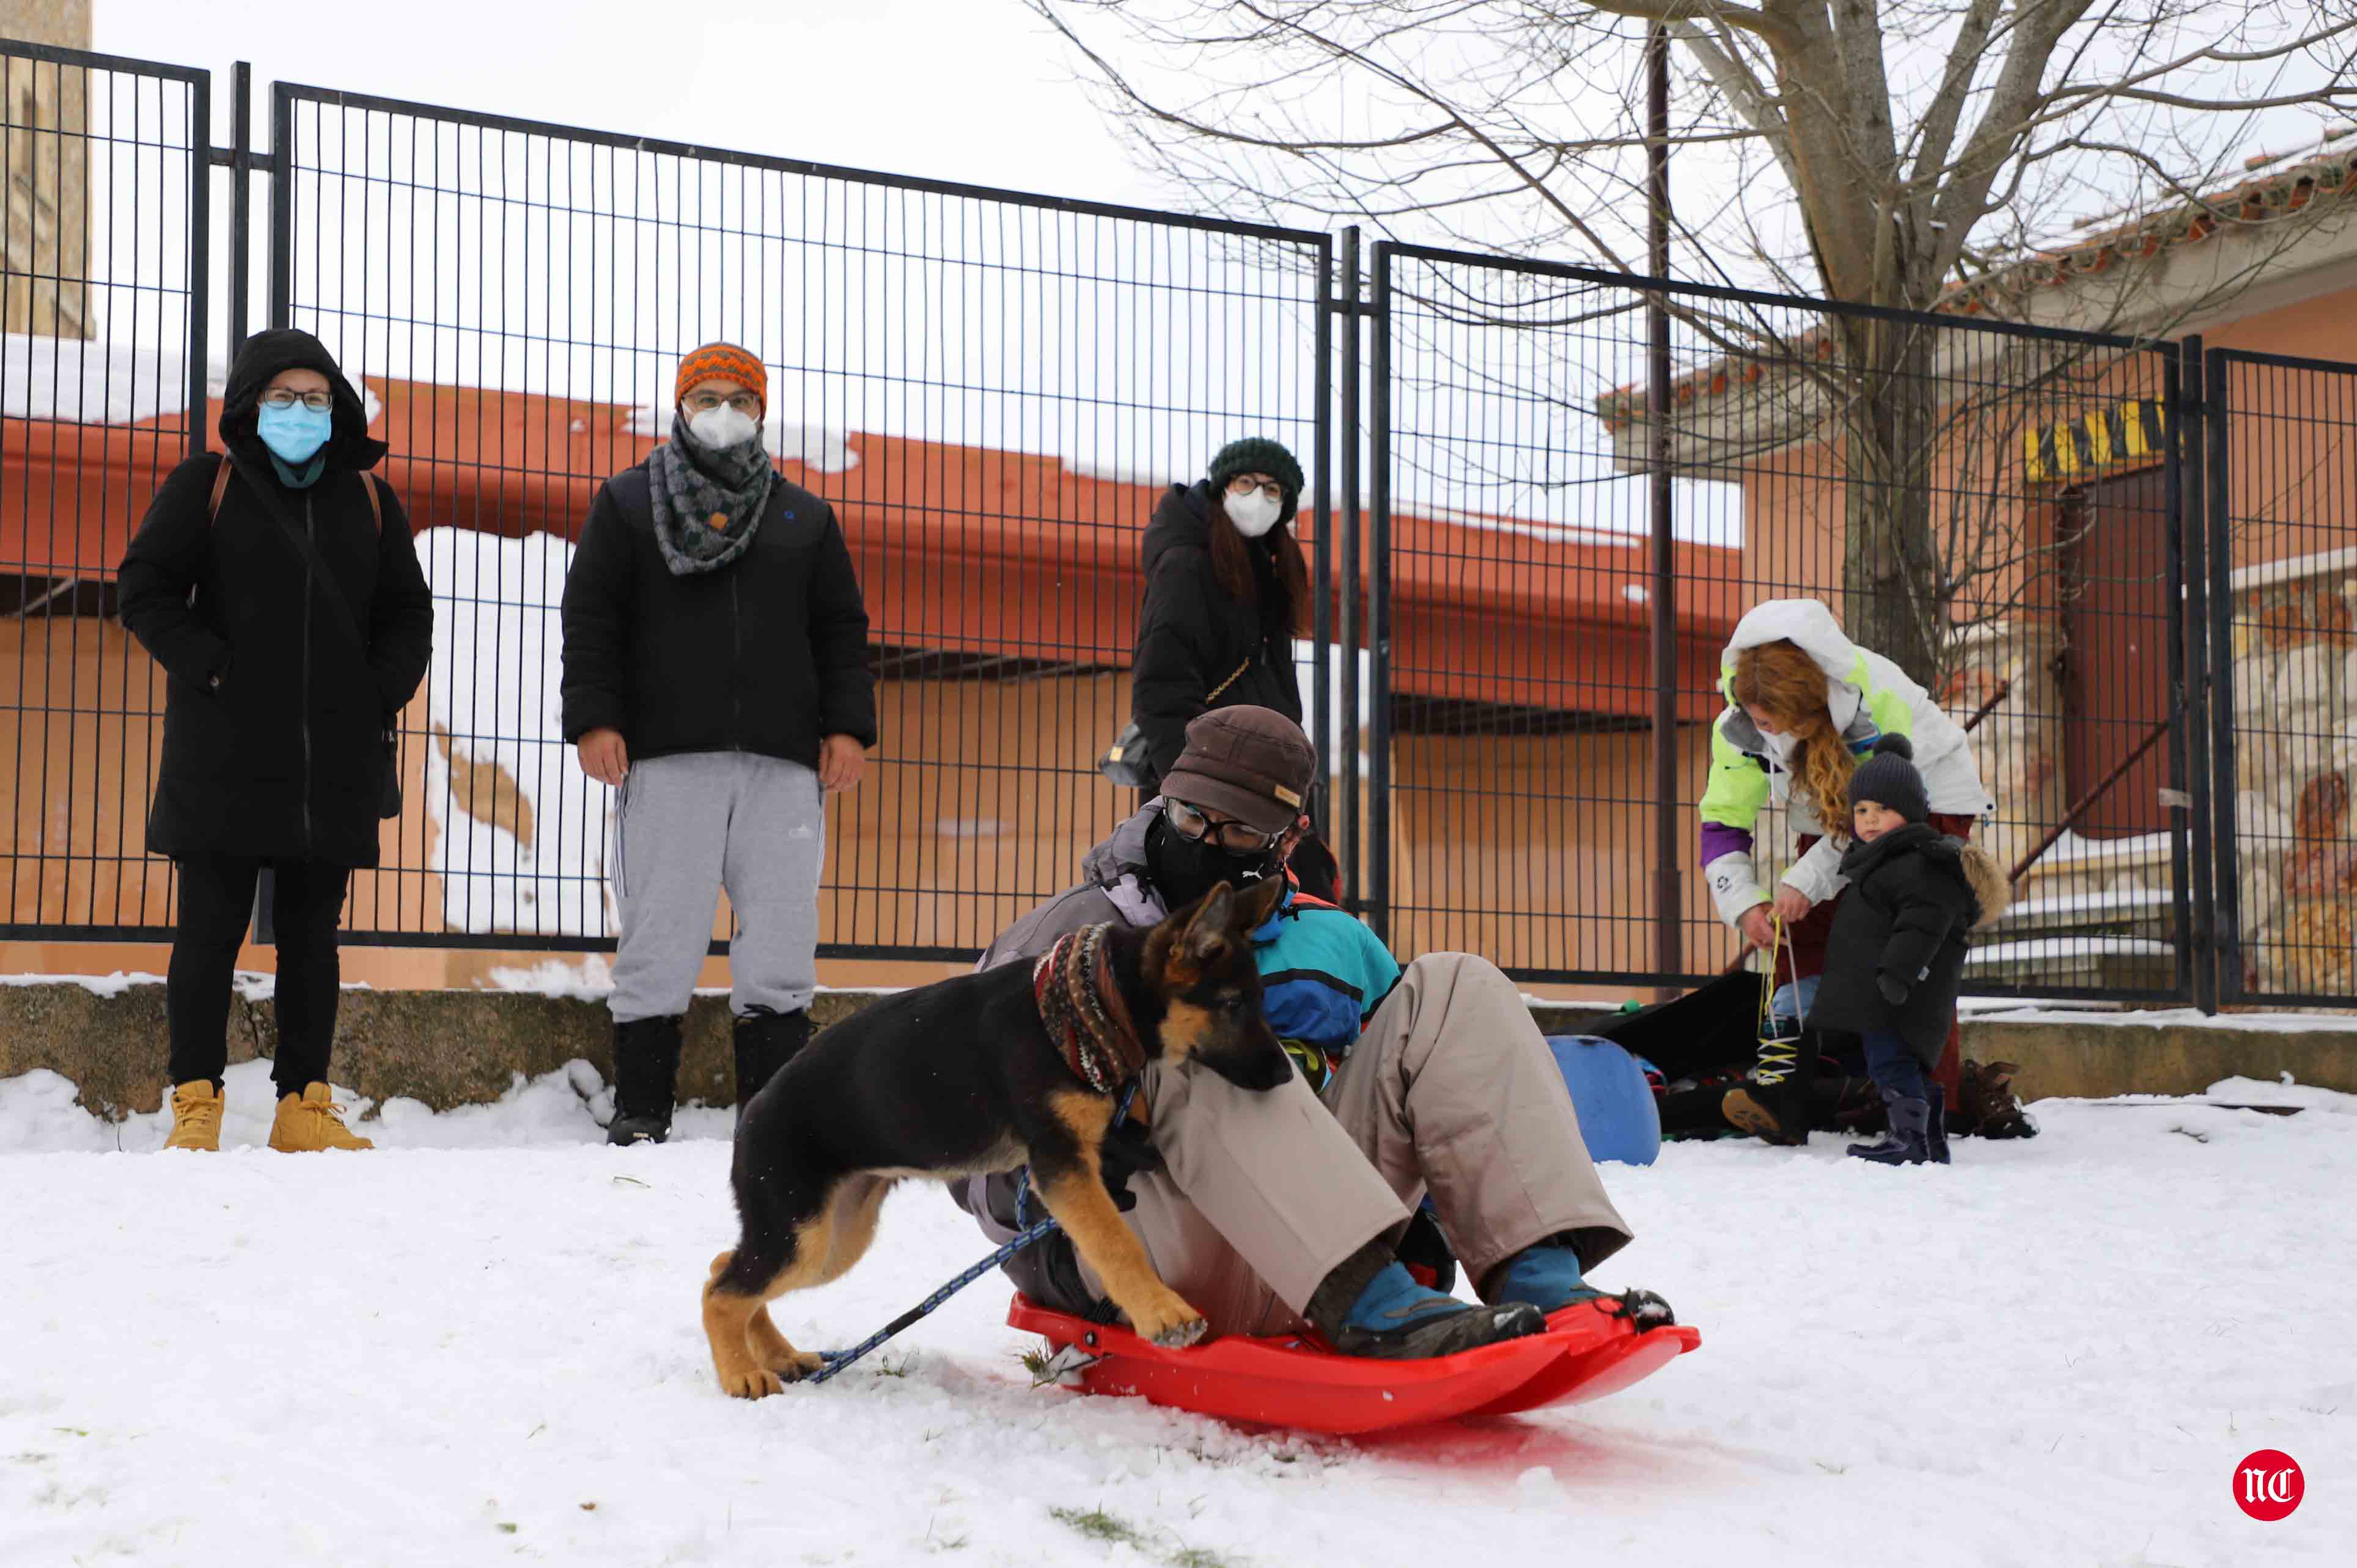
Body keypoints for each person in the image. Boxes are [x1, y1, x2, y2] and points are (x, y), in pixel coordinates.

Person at [955, 706, 1668, 1360]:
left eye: (1236, 830)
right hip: (1152, 1255)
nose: (1206, 840)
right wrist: (1052, 1153)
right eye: (1189, 816)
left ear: (1289, 837)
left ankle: (1537, 1274)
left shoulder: (1327, 936)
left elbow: (1428, 1082)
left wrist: (1424, 1224)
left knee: (1459, 982)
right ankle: (1375, 1306)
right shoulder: (1059, 939)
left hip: (1313, 1242)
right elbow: (963, 1138)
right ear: (1160, 798)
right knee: (1191, 1025)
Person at [119, 329, 434, 1154]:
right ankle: (196, 1103)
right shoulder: (207, 486)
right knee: (208, 934)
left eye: (317, 398)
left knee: (311, 939)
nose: (301, 412)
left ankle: (304, 1104)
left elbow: (409, 613)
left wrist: (375, 692)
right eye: (284, 398)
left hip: (328, 761)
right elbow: (144, 589)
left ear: (338, 408)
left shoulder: (370, 501)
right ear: (251, 406)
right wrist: (212, 668)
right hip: (221, 756)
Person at [561, 342, 877, 1145]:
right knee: (660, 929)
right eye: (707, 396)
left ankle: (773, 1121)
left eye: (740, 397)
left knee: (779, 938)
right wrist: (594, 719)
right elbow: (591, 615)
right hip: (666, 758)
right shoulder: (628, 503)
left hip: (782, 764)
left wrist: (846, 727)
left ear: (763, 411)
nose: (723, 410)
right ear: (679, 404)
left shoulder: (806, 517)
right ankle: (640, 1114)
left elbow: (841, 630)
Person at [1698, 598, 1991, 1145]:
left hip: (1923, 805)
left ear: (1814, 713)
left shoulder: (1875, 700)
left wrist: (1802, 880)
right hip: (1836, 811)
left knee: (1902, 945)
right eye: (1761, 723)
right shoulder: (1740, 723)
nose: (1768, 733)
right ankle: (1790, 1093)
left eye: (1781, 727)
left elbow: (1876, 821)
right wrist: (1743, 901)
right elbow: (1721, 819)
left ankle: (1931, 1106)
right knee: (1802, 932)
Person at [1131, 438, 1339, 901]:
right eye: (1246, 483)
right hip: (1209, 804)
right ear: (1222, 488)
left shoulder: (1269, 571)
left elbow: (1281, 698)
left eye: (1272, 490)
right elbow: (1160, 694)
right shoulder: (1187, 567)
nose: (1257, 498)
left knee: (1304, 910)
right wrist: (1188, 802)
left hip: (1267, 787)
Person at [1812, 737, 2010, 1163]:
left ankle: (1909, 1139)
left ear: (1911, 813)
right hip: (1887, 990)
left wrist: (1898, 975)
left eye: (1883, 810)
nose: (1869, 819)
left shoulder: (1918, 864)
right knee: (1907, 1065)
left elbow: (1922, 924)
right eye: (1862, 810)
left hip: (1901, 992)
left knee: (1891, 1064)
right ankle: (1930, 1138)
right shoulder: (1881, 862)